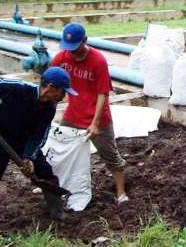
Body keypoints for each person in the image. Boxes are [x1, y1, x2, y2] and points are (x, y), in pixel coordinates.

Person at [0, 67, 76, 220]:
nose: (64, 96)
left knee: (45, 172)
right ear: (50, 88)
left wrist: (28, 158)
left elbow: (38, 137)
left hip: (21, 139)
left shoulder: (49, 109)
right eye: (63, 92)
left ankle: (57, 211)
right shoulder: (18, 89)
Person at [51, 23, 129, 204]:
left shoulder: (98, 61)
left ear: (85, 41)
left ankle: (121, 193)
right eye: (68, 48)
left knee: (110, 155)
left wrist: (95, 123)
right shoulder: (61, 58)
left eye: (75, 47)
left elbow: (103, 93)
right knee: (60, 150)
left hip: (98, 118)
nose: (71, 52)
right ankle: (53, 184)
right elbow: (51, 82)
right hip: (72, 114)